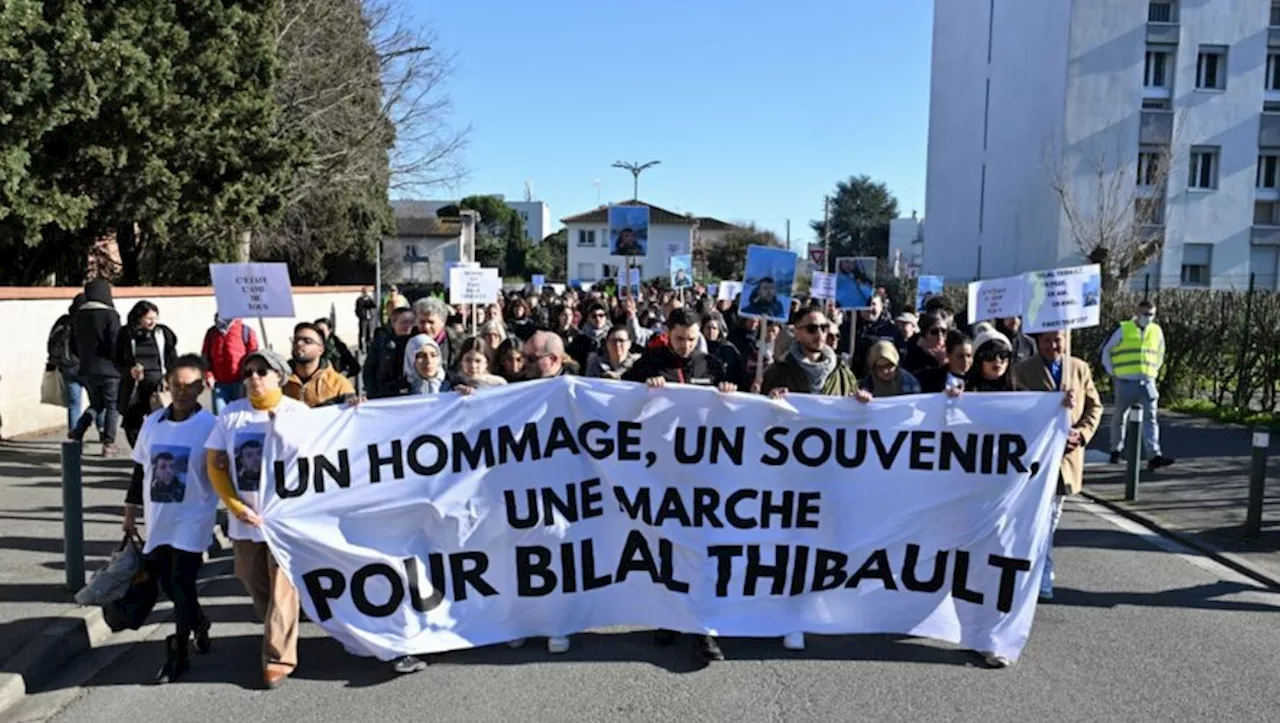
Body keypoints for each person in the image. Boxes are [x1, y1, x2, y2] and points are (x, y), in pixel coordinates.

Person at [623, 308, 735, 664]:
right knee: (666, 548)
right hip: (662, 472)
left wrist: (732, 393)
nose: (685, 346)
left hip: (706, 474)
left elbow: (744, 409)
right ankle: (669, 618)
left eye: (691, 338)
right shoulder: (648, 363)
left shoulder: (714, 364)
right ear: (667, 334)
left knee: (703, 550)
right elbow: (616, 401)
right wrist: (642, 390)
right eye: (679, 339)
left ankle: (704, 628)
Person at [204, 349, 311, 689]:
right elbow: (215, 464)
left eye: (262, 371)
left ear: (279, 375)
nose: (254, 377)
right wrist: (235, 506)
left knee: (282, 587)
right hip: (246, 519)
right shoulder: (231, 415)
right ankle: (277, 628)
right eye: (248, 371)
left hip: (285, 521)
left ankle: (277, 658)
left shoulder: (299, 413)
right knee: (252, 579)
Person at [122, 354, 217, 684]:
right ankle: (200, 622)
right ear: (167, 384)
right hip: (159, 517)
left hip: (193, 517)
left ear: (202, 387)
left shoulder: (210, 427)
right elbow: (140, 470)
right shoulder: (153, 423)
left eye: (191, 386)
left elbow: (222, 473)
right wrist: (130, 511)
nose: (183, 392)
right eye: (177, 385)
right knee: (168, 583)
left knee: (181, 581)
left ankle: (177, 654)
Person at [1013, 331, 1102, 609]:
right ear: (1038, 342)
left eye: (1059, 339)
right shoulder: (1022, 370)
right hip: (1036, 458)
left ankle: (1043, 570)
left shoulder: (1079, 367)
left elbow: (1094, 406)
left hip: (1066, 459)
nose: (1054, 345)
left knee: (1052, 518)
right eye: (1048, 340)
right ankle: (1040, 574)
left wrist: (1081, 434)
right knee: (1039, 519)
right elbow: (1018, 408)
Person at [1101, 300, 1173, 469]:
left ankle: (1154, 455)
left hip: (1147, 380)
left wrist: (1153, 371)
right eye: (1144, 314)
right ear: (1137, 312)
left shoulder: (1156, 331)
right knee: (1120, 416)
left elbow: (1160, 353)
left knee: (1151, 417)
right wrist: (1113, 372)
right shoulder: (1124, 328)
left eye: (1151, 315)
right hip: (1125, 381)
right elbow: (1107, 351)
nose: (1147, 318)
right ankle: (1116, 450)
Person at [70, 279, 122, 457]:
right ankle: (108, 443)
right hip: (109, 369)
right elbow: (115, 342)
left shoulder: (79, 316)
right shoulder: (110, 315)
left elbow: (73, 344)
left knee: (96, 404)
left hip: (87, 368)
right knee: (111, 406)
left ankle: (77, 432)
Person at [116, 301, 179, 447]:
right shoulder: (126, 334)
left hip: (157, 384)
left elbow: (172, 357)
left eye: (155, 318)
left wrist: (170, 377)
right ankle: (140, 453)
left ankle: (156, 450)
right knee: (131, 422)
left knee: (160, 421)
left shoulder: (163, 333)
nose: (153, 322)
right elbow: (117, 359)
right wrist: (130, 370)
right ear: (139, 317)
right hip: (134, 385)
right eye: (149, 318)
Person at [762, 307, 858, 399]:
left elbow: (854, 406)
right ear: (797, 333)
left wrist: (861, 399)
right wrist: (770, 398)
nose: (819, 334)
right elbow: (763, 411)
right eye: (811, 329)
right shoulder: (778, 373)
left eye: (824, 328)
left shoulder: (841, 372)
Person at [284, 322, 356, 407]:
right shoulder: (278, 380)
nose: (299, 344)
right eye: (296, 340)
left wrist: (357, 404)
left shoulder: (339, 385)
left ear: (320, 350)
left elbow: (350, 415)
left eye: (307, 341)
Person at [46, 294, 88, 434]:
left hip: (68, 367)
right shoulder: (89, 320)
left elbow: (52, 342)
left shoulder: (64, 321)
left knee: (74, 404)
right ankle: (102, 430)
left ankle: (74, 436)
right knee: (98, 402)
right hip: (87, 367)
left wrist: (53, 361)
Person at [201, 316, 259, 414]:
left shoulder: (246, 331)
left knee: (241, 415)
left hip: (241, 383)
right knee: (220, 417)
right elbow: (205, 357)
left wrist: (249, 376)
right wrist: (208, 375)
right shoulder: (212, 333)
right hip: (219, 384)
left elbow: (253, 357)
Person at [363, 307, 416, 398]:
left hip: (410, 394)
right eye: (404, 322)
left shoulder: (416, 341)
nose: (409, 326)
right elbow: (369, 369)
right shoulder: (382, 340)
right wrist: (373, 393)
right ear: (393, 323)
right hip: (384, 393)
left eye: (412, 322)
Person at [850, 295, 903, 378]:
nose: (869, 308)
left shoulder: (892, 331)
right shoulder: (849, 329)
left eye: (873, 304)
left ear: (881, 307)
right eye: (865, 304)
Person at [404, 297, 459, 375]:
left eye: (431, 322)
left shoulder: (458, 343)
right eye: (422, 322)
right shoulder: (405, 343)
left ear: (443, 321)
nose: (426, 327)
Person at [855, 341, 921, 400]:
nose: (885, 371)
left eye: (889, 365)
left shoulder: (910, 383)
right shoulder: (867, 384)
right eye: (880, 367)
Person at [701, 311, 746, 388]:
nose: (711, 331)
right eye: (708, 328)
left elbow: (737, 373)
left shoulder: (728, 349)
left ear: (719, 330)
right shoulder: (698, 346)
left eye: (714, 328)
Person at [901, 311, 950, 377]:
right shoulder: (914, 354)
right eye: (934, 332)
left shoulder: (952, 352)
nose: (940, 336)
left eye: (943, 331)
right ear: (925, 334)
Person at [568, 302, 611, 371]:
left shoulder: (611, 336)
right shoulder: (580, 338)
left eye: (601, 315)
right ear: (588, 318)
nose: (598, 319)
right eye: (594, 316)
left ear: (605, 317)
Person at [355, 287, 378, 351]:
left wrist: (369, 300)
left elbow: (374, 305)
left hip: (370, 319)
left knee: (370, 334)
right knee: (362, 333)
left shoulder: (370, 299)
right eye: (364, 291)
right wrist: (361, 315)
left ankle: (369, 348)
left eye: (366, 291)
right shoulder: (359, 300)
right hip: (363, 319)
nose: (365, 293)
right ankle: (361, 347)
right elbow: (357, 310)